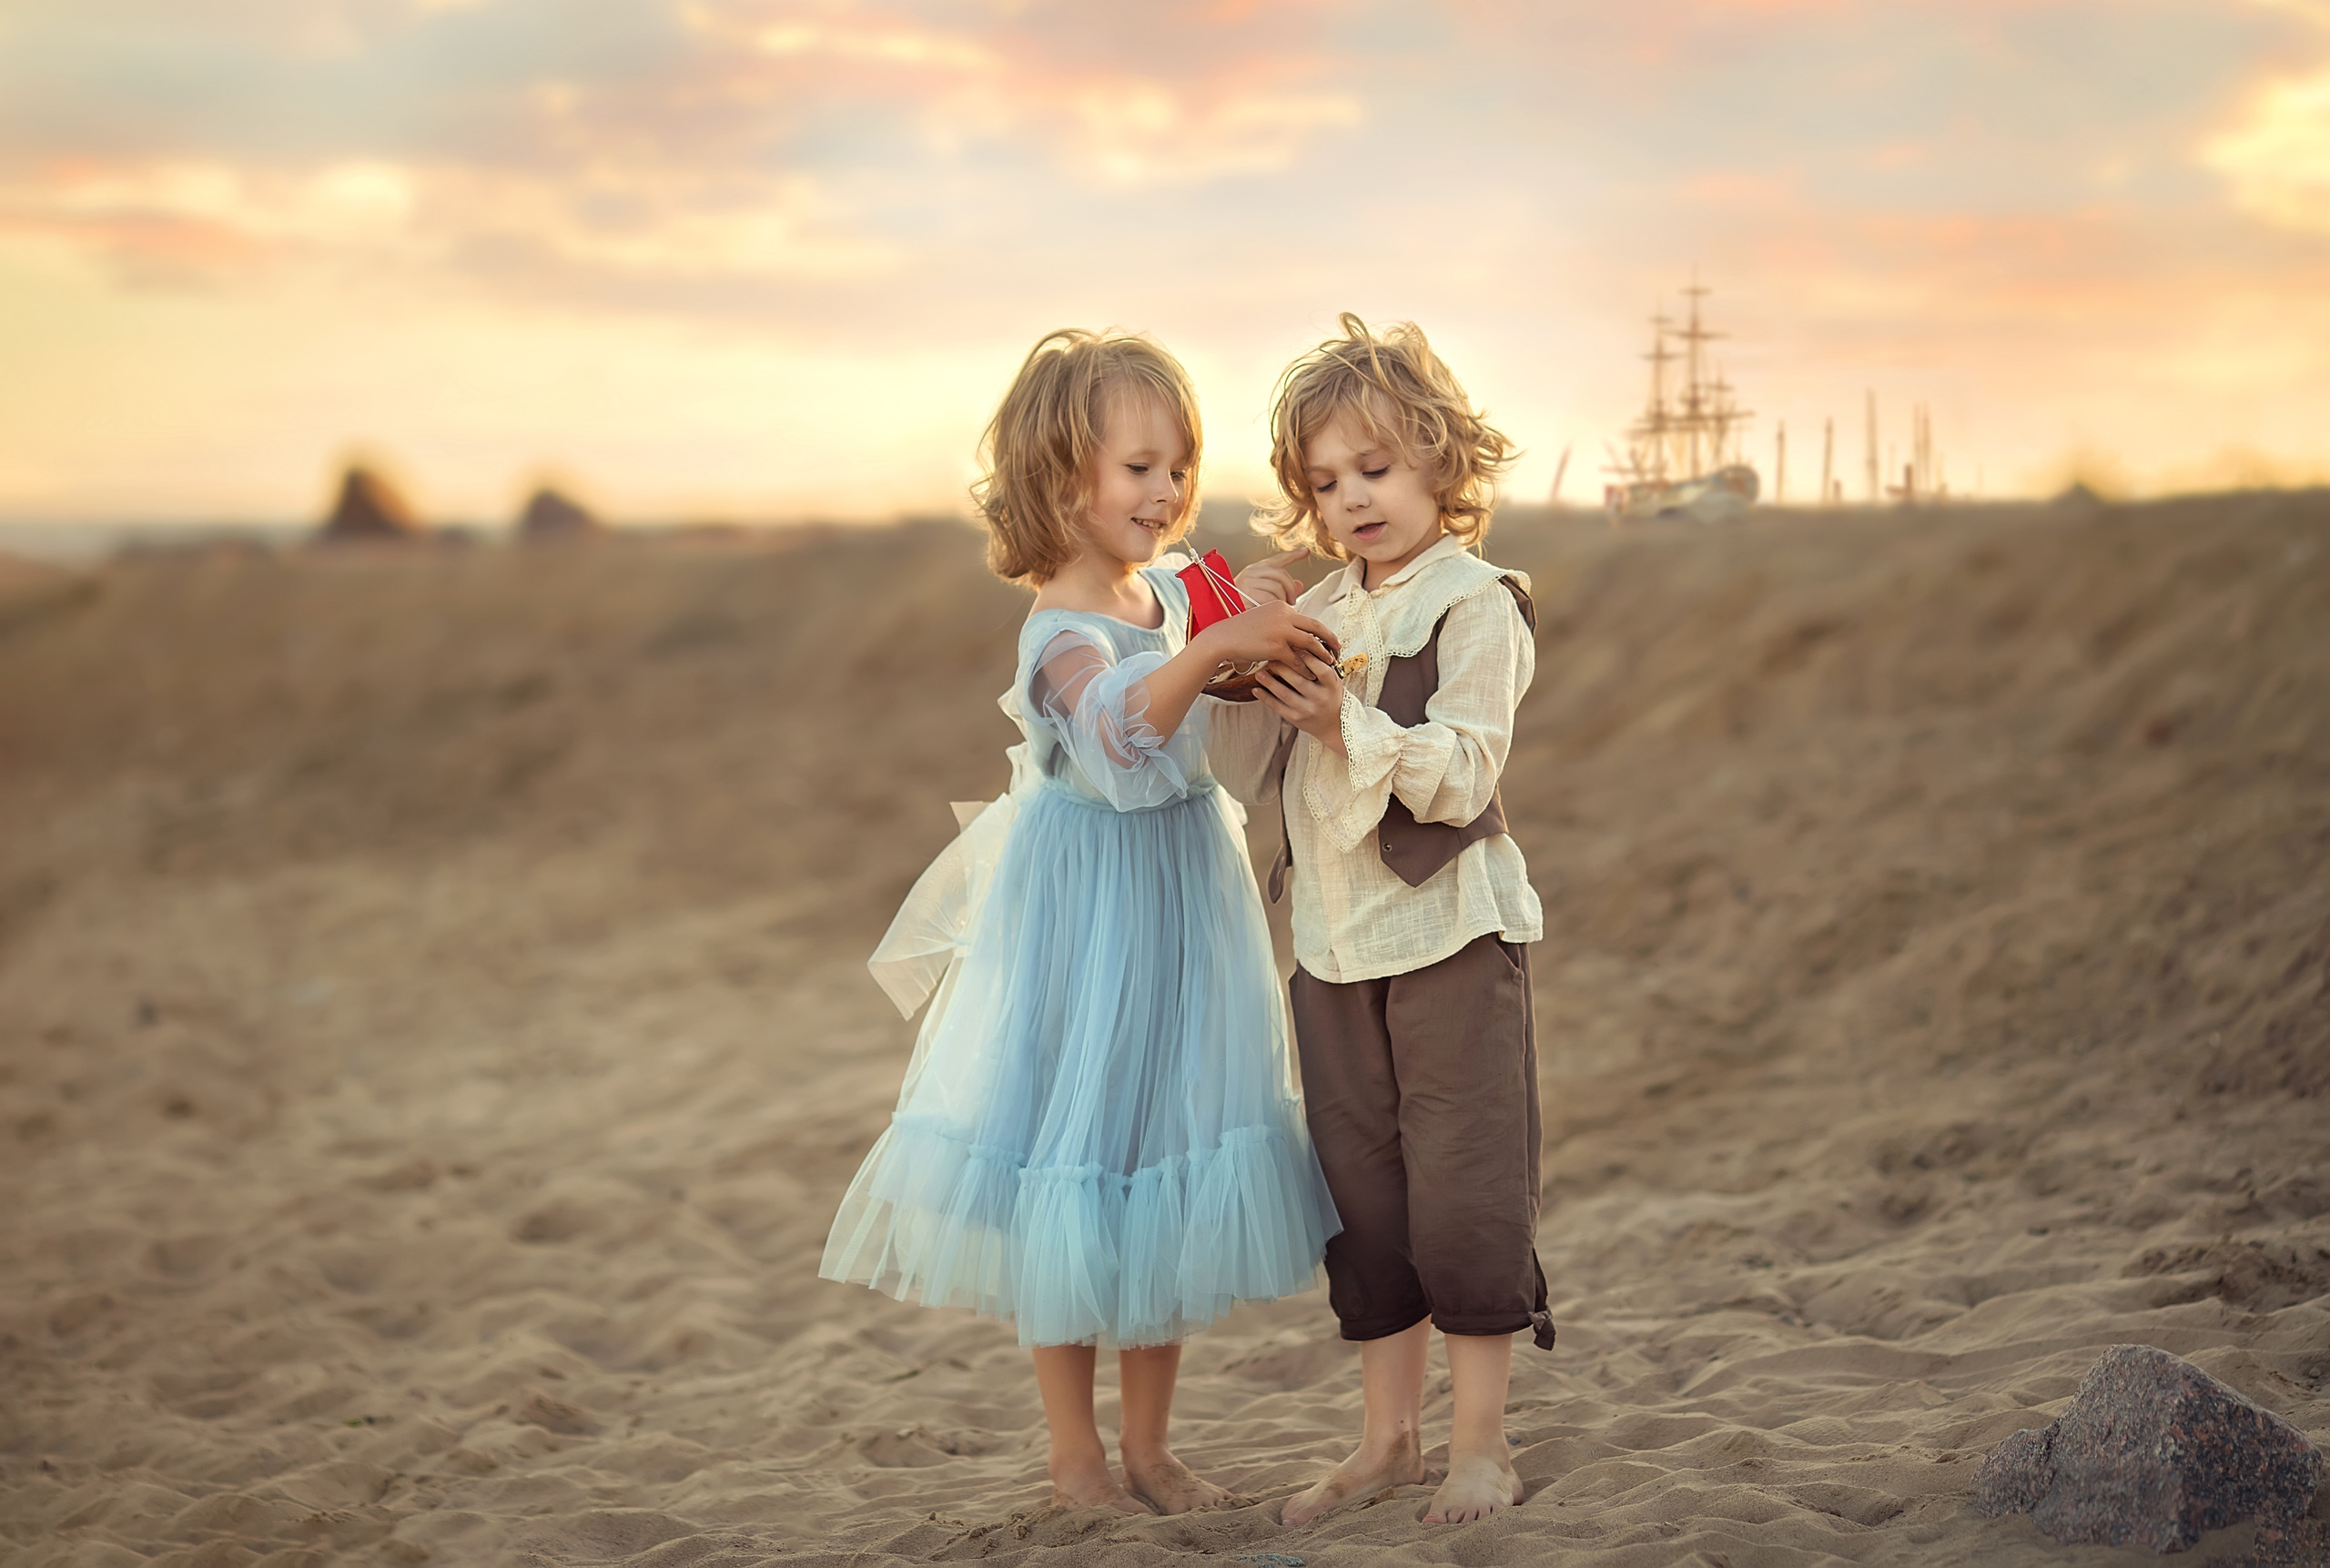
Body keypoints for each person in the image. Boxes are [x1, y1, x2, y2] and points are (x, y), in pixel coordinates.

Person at [820, 328, 1344, 1517]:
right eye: (1138, 468)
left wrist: (1245, 613)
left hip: (1183, 900)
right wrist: (1209, 647)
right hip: (1086, 913)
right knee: (1074, 1153)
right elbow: (1115, 734)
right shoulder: (1058, 627)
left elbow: (1206, 652)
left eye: (1179, 467)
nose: (1165, 492)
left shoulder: (1165, 592)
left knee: (1165, 1149)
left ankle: (1151, 1446)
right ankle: (1076, 1456)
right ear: (1062, 480)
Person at [1211, 314, 1554, 1526]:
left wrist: (1339, 721)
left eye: (1375, 468)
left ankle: (1480, 1445)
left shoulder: (1476, 603)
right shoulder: (1318, 607)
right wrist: (1227, 642)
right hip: (1329, 944)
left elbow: (1462, 775)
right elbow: (1238, 768)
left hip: (1450, 935)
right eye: (1324, 482)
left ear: (1441, 462)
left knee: (1464, 1191)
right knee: (1364, 1201)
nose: (1351, 498)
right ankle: (1385, 1441)